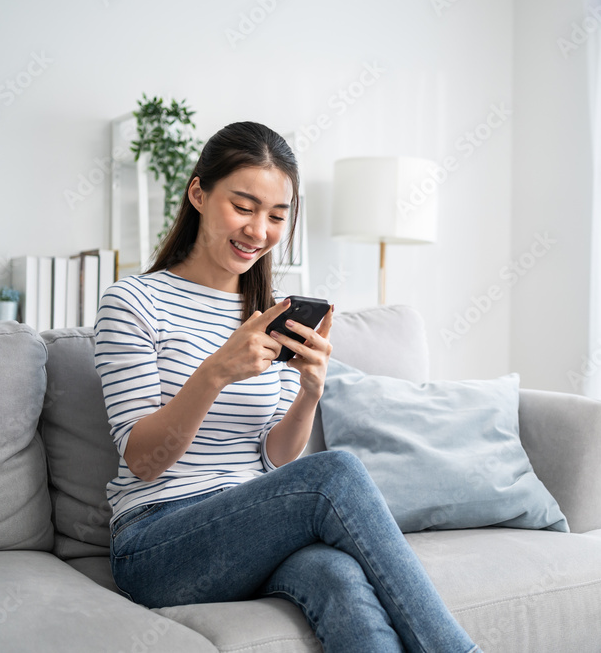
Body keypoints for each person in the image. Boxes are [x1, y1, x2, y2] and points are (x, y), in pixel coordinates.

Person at [93, 121, 481, 653]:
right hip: (158, 543)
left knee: (337, 576)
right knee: (334, 472)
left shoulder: (267, 312)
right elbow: (143, 462)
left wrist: (309, 394)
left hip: (250, 528)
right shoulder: (133, 302)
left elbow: (274, 461)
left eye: (277, 215)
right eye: (244, 206)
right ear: (199, 193)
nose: (259, 230)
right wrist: (216, 372)